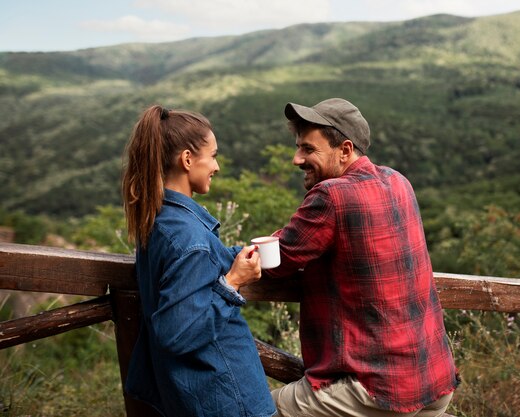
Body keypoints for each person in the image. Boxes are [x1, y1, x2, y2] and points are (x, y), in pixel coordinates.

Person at [264, 98, 460, 416]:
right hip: (434, 381)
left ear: (345, 150)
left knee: (253, 410)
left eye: (308, 149)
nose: (296, 159)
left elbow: (276, 260)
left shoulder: (332, 196)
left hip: (377, 390)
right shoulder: (399, 181)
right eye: (298, 147)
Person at [121, 104, 276, 417]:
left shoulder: (160, 219)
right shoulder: (189, 238)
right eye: (213, 155)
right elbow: (178, 334)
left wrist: (235, 257)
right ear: (188, 159)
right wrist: (232, 282)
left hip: (193, 394)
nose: (216, 166)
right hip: (226, 396)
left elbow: (192, 273)